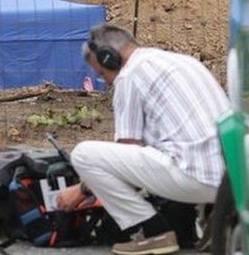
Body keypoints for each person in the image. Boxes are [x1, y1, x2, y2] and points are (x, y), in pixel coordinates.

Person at [56, 24, 229, 255]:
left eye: (102, 74)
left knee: (84, 155)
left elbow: (127, 154)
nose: (105, 82)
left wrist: (81, 190)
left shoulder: (130, 76)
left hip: (196, 178)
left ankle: (152, 234)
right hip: (233, 179)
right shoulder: (183, 62)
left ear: (110, 59)